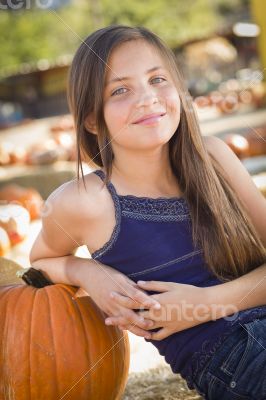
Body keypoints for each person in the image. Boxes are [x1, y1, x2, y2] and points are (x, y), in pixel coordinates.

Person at [29, 25, 266, 399]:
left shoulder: (214, 157)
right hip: (237, 359)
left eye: (158, 79)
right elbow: (40, 261)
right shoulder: (85, 201)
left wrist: (208, 303)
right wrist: (86, 270)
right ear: (92, 119)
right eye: (120, 89)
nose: (147, 98)